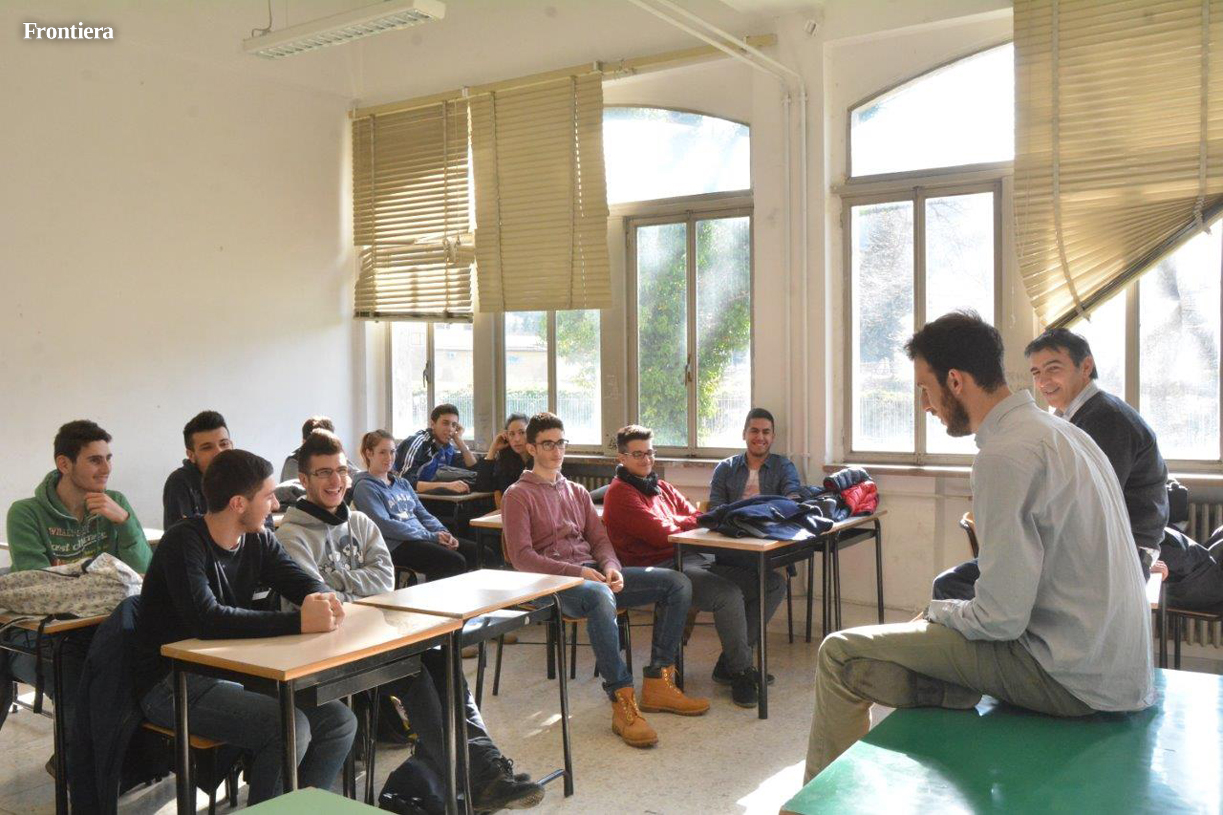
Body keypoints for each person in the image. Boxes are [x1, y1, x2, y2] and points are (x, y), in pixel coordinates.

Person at [805, 311, 1153, 782]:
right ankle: (950, 689)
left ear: (955, 381)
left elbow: (1001, 619)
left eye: (925, 389)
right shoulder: (1065, 433)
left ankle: (814, 809)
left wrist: (939, 612)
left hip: (1071, 680)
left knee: (839, 653)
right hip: (1120, 673)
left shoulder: (1004, 455)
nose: (924, 405)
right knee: (923, 636)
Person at [277, 430, 543, 813]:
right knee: (414, 674)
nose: (335, 481)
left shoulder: (361, 523)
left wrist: (339, 583)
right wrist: (353, 585)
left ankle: (484, 768)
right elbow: (317, 599)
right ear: (303, 479)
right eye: (323, 473)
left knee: (442, 659)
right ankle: (471, 778)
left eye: (340, 471)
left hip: (377, 634)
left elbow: (384, 579)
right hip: (327, 648)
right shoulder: (291, 535)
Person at [134, 449, 357, 805]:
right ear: (238, 503)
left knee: (339, 722)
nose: (275, 505)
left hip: (231, 671)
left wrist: (322, 598)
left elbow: (301, 581)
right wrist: (300, 621)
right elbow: (207, 619)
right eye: (268, 497)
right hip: (172, 683)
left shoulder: (258, 538)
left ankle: (299, 810)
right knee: (290, 729)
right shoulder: (183, 541)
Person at [501, 412, 709, 749]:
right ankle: (622, 701)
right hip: (549, 584)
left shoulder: (577, 492)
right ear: (532, 448)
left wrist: (611, 567)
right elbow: (522, 558)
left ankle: (658, 681)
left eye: (561, 443)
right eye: (548, 444)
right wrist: (580, 573)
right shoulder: (517, 495)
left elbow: (600, 542)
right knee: (599, 595)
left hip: (593, 577)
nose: (557, 450)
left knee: (676, 582)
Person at [933, 327, 1169, 599]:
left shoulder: (1106, 418)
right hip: (1097, 549)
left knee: (955, 585)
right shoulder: (1071, 416)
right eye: (1036, 373)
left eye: (1053, 369)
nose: (1043, 381)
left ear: (1086, 366)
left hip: (1112, 556)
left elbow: (1088, 509)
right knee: (967, 579)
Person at [602, 425, 785, 709]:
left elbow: (696, 516)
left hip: (692, 557)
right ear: (621, 458)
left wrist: (690, 521)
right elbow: (661, 532)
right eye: (638, 454)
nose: (647, 459)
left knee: (772, 583)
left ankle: (730, 662)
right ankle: (741, 671)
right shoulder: (620, 494)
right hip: (660, 570)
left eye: (650, 452)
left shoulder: (660, 487)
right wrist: (691, 521)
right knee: (727, 594)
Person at [1, 420, 152, 753]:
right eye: (95, 460)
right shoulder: (26, 513)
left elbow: (143, 572)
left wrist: (124, 523)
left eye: (108, 458)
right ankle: (77, 766)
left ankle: (123, 762)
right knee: (80, 678)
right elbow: (39, 589)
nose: (106, 469)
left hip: (103, 629)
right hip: (41, 637)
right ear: (64, 464)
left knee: (143, 669)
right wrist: (104, 578)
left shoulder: (116, 502)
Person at [352, 430, 479, 581]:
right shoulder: (365, 487)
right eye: (382, 452)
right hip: (395, 544)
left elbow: (423, 514)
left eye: (392, 452)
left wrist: (443, 532)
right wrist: (432, 537)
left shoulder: (402, 483)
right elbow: (385, 525)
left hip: (421, 537)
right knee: (454, 561)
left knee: (479, 553)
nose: (389, 458)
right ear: (369, 453)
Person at [708, 408, 801, 511]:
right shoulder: (725, 468)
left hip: (771, 520)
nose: (760, 437)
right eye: (754, 431)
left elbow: (793, 500)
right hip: (733, 520)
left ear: (772, 437)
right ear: (744, 434)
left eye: (766, 432)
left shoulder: (784, 467)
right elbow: (716, 508)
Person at [162, 410, 234, 528]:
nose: (219, 452)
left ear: (232, 445)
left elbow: (262, 529)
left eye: (224, 444)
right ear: (191, 455)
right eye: (207, 448)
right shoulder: (180, 482)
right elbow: (178, 535)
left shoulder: (247, 476)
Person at [394, 404, 478, 494]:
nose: (450, 429)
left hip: (433, 495)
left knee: (478, 479)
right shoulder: (419, 443)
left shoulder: (447, 447)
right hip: (408, 497)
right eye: (445, 423)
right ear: (433, 424)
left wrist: (459, 440)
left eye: (454, 425)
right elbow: (403, 481)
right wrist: (446, 486)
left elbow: (472, 467)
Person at [474, 413, 532, 496]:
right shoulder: (506, 460)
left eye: (522, 432)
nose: (517, 439)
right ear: (507, 436)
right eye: (512, 434)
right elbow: (482, 486)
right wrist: (493, 449)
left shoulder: (539, 459)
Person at [281, 415, 335, 482]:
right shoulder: (294, 463)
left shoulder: (336, 459)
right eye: (317, 445)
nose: (322, 450)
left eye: (326, 445)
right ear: (304, 442)